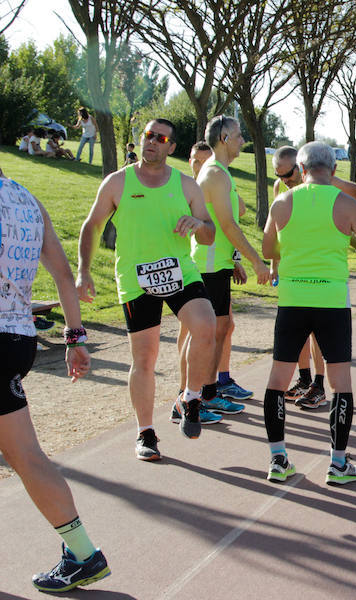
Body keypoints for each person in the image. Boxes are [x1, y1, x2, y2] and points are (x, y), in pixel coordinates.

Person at [76, 118, 218, 459]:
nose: (151, 141)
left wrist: (199, 224)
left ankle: (190, 397)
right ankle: (145, 433)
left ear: (171, 147)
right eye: (147, 135)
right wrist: (83, 271)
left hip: (179, 270)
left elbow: (210, 232)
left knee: (206, 325)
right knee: (144, 358)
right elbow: (92, 226)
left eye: (160, 138)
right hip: (136, 277)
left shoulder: (187, 185)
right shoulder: (117, 183)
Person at [0, 166, 110, 592]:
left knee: (27, 456)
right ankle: (83, 554)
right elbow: (64, 275)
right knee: (27, 456)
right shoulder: (27, 200)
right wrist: (75, 338)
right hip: (18, 338)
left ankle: (83, 554)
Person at [261, 141, 356, 484]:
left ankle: (277, 459)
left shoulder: (282, 202)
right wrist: (351, 238)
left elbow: (268, 247)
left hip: (292, 298)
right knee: (340, 383)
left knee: (277, 381)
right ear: (332, 170)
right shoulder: (345, 203)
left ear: (301, 170)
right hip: (331, 300)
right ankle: (339, 463)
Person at [272, 145, 356, 409]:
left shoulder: (331, 183)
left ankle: (318, 383)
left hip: (323, 283)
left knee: (319, 337)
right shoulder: (280, 192)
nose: (285, 179)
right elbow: (274, 240)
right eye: (279, 175)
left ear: (300, 167)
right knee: (302, 337)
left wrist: (351, 233)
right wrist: (274, 264)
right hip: (300, 279)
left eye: (289, 173)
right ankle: (305, 379)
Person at [186, 115, 272, 418]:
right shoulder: (214, 174)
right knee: (210, 332)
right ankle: (198, 396)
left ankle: (206, 392)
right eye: (238, 136)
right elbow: (228, 225)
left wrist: (234, 260)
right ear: (224, 138)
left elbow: (227, 225)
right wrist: (256, 261)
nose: (242, 141)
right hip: (207, 265)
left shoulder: (223, 173)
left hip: (219, 263)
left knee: (221, 328)